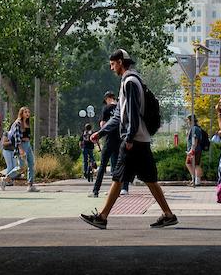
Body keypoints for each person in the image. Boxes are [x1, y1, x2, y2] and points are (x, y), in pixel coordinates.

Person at [81, 49, 178, 229]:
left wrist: (129, 138)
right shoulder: (128, 81)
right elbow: (119, 115)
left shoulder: (130, 82)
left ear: (119, 61)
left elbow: (132, 113)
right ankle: (168, 214)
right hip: (139, 139)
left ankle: (102, 217)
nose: (111, 68)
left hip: (134, 140)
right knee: (148, 178)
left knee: (119, 177)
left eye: (112, 64)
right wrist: (100, 133)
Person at [91, 90, 123, 198]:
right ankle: (116, 190)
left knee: (103, 165)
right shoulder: (120, 108)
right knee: (116, 167)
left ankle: (96, 190)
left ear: (107, 99)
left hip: (109, 140)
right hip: (119, 140)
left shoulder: (106, 108)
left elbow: (103, 125)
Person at [11, 106, 38, 192]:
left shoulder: (27, 123)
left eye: (28, 112)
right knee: (21, 167)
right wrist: (21, 149)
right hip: (21, 145)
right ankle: (6, 178)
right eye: (25, 112)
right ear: (21, 113)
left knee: (31, 163)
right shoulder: (18, 123)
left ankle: (30, 185)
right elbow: (17, 137)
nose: (27, 114)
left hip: (28, 145)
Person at [185, 115, 206, 186]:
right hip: (194, 149)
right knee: (190, 164)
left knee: (195, 164)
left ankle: (197, 180)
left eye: (188, 120)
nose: (187, 121)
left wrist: (192, 150)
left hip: (195, 149)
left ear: (191, 120)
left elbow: (195, 140)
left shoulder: (195, 128)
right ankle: (194, 179)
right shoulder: (193, 128)